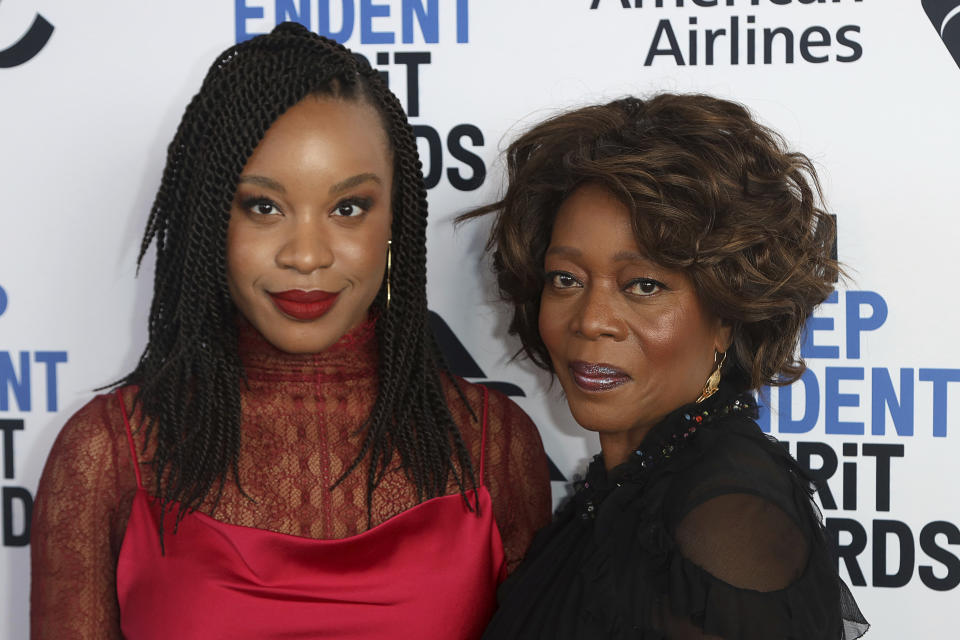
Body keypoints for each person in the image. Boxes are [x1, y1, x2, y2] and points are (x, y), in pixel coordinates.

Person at [30, 23, 550, 639]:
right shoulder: (108, 455)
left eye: (348, 208)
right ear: (210, 221)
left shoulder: (494, 445)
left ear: (395, 222)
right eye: (264, 207)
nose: (307, 256)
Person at [468, 94, 869, 639]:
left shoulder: (724, 523)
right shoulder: (628, 489)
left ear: (727, 311)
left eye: (644, 286)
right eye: (566, 278)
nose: (592, 321)